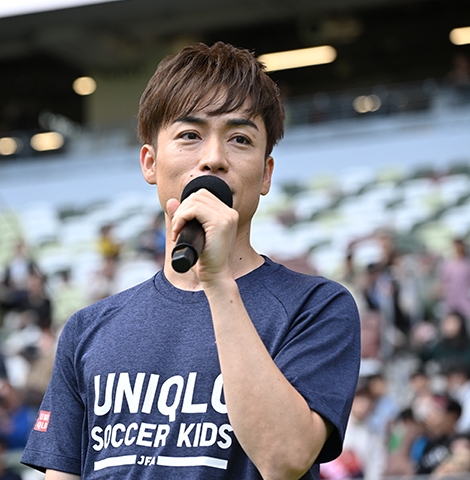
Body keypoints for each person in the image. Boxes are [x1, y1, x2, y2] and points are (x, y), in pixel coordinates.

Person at [21, 41, 360, 480]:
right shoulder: (87, 330)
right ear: (150, 163)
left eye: (240, 139)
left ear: (266, 173)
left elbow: (285, 459)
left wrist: (217, 282)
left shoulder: (317, 307)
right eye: (189, 135)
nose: (213, 158)